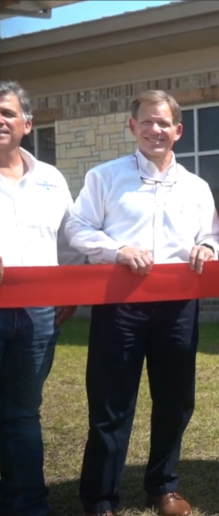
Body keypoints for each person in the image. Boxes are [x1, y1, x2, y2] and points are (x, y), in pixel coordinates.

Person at [66, 90, 219, 516]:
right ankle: (101, 499)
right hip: (120, 304)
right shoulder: (105, 177)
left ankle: (163, 486)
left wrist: (208, 248)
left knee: (175, 400)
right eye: (147, 122)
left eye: (163, 123)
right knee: (112, 403)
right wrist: (116, 249)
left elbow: (211, 235)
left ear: (178, 130)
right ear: (132, 126)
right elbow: (76, 228)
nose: (155, 130)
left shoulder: (195, 186)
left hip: (177, 306)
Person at [0, 80, 80, 516]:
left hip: (36, 316)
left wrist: (66, 288)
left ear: (27, 124)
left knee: (22, 414)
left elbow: (69, 239)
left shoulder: (50, 179)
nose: (0, 120)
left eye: (8, 113)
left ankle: (27, 504)